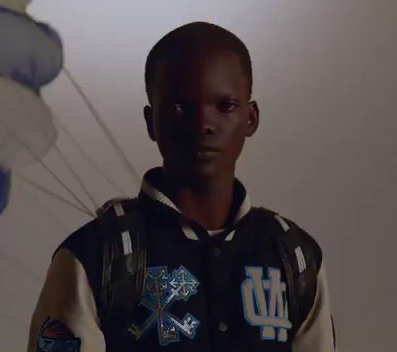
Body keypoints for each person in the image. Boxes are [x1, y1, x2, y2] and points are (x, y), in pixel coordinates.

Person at [28, 21, 336, 352]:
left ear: (251, 117)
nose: (203, 123)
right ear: (151, 121)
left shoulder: (294, 258)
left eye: (225, 105)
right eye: (179, 106)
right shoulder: (97, 256)